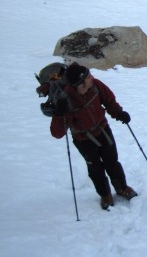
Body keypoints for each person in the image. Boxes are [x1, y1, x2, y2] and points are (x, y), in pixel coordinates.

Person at [49, 62, 137, 210]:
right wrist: (58, 113)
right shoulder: (66, 100)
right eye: (88, 76)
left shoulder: (95, 85)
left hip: (103, 131)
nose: (92, 77)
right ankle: (105, 195)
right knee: (95, 168)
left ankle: (122, 188)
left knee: (112, 162)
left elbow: (109, 101)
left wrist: (119, 113)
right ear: (80, 84)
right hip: (83, 140)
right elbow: (57, 133)